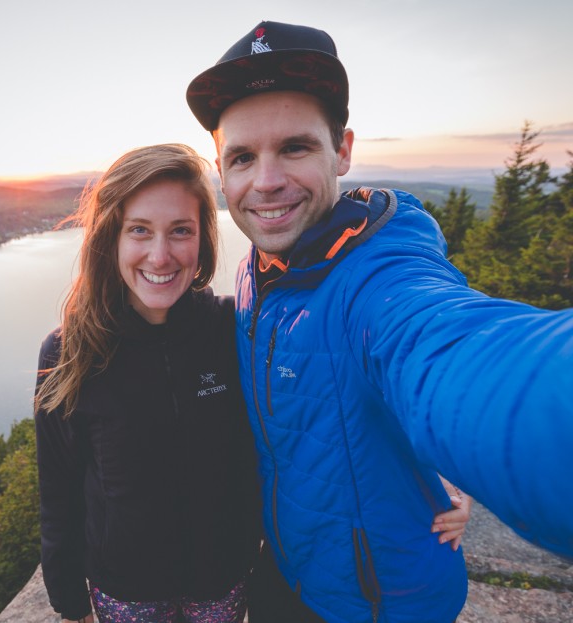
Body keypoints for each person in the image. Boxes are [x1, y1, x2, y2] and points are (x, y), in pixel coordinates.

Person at [185, 19, 573, 623]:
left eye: (295, 147)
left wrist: (466, 448)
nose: (266, 181)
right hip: (288, 573)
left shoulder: (379, 279)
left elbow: (447, 348)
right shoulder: (254, 274)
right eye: (242, 157)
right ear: (221, 170)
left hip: (380, 602)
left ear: (342, 151)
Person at [33, 143, 262, 623]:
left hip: (221, 579)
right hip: (126, 591)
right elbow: (58, 490)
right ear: (110, 238)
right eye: (139, 229)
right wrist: (69, 599)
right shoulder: (69, 352)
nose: (160, 256)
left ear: (202, 239)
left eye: (181, 230)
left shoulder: (233, 329)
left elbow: (289, 439)